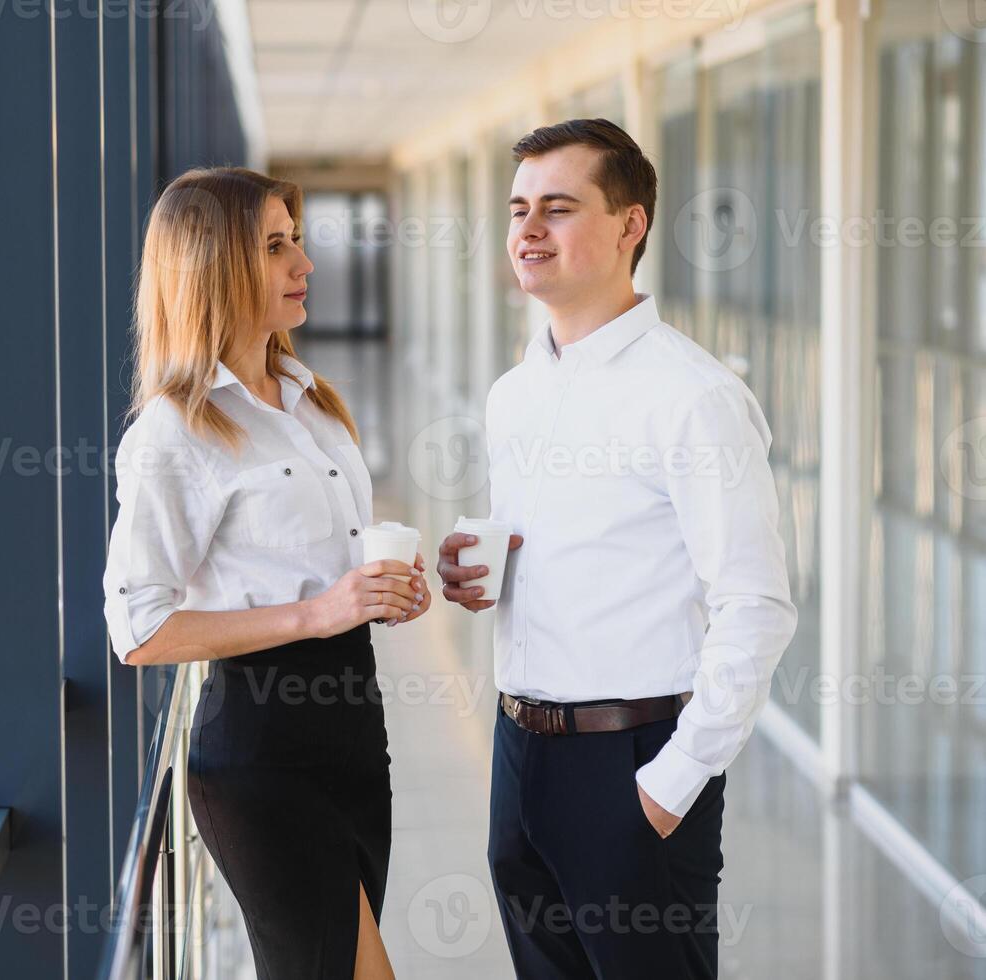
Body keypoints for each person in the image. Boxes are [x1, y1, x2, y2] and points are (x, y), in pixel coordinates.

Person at [436, 119, 798, 978]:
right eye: (519, 207)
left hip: (634, 759)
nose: (528, 230)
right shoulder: (515, 393)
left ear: (630, 225)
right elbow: (555, 550)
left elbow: (757, 606)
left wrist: (672, 784)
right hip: (520, 752)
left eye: (558, 208)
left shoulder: (693, 397)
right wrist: (480, 574)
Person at [103, 166, 431, 980]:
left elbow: (327, 572)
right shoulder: (174, 433)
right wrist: (316, 615)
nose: (303, 265)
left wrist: (388, 589)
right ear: (213, 266)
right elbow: (136, 629)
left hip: (356, 732)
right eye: (276, 246)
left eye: (298, 241)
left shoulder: (312, 400)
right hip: (261, 749)